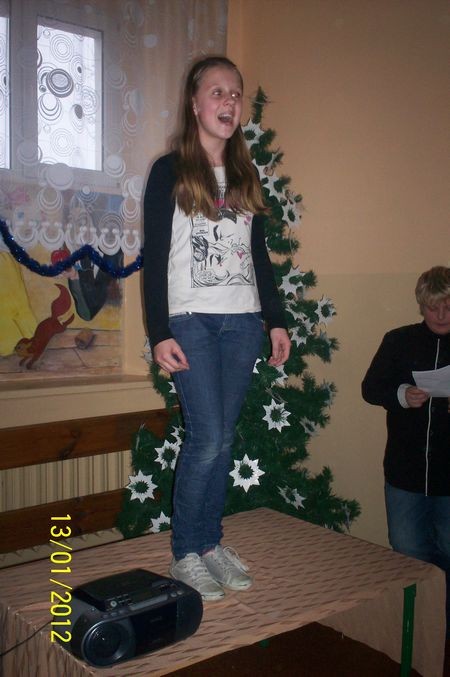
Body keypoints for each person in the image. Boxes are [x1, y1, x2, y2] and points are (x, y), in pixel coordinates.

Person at [143, 56, 291, 601]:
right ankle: (186, 550)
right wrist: (159, 331)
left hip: (243, 321)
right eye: (217, 92)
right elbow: (155, 255)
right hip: (191, 322)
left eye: (235, 93)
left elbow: (259, 256)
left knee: (224, 438)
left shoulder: (247, 176)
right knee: (206, 437)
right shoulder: (171, 170)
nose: (229, 101)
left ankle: (209, 543)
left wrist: (275, 320)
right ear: (195, 103)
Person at [361, 266, 450, 637]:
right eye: (432, 307)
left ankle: (444, 632)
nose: (441, 315)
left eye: (448, 306)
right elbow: (370, 389)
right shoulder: (399, 340)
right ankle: (417, 631)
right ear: (421, 306)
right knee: (408, 551)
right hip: (405, 473)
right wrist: (401, 395)